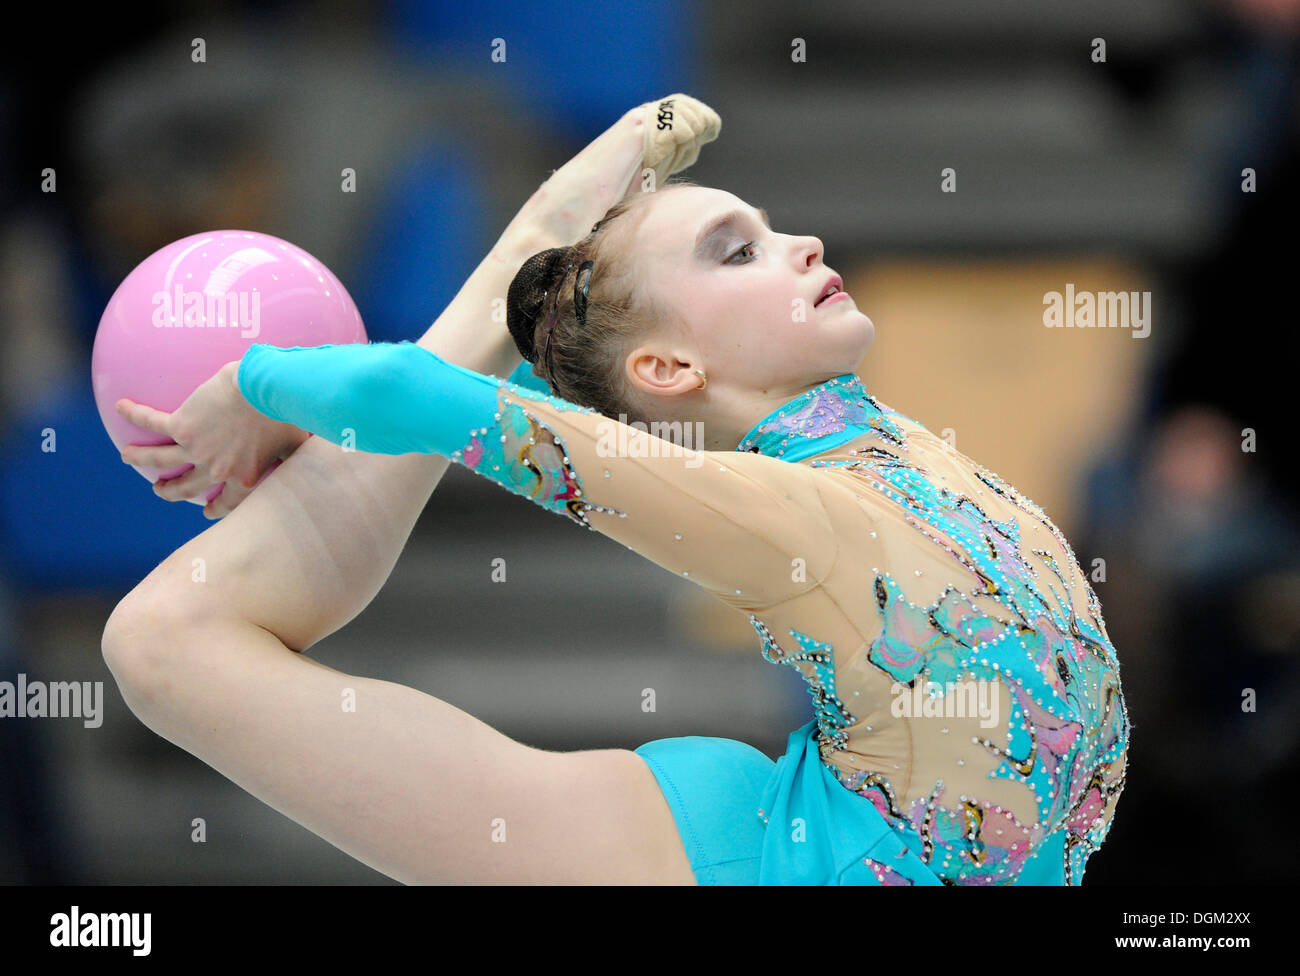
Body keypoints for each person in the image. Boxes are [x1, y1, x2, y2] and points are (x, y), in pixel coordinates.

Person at [104, 95, 1129, 885]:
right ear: (668, 372)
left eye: (771, 231)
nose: (802, 244)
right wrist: (252, 381)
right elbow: (410, 394)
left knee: (165, 644)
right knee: (159, 647)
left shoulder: (892, 455)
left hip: (803, 816)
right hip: (735, 865)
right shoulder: (784, 515)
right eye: (740, 252)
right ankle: (523, 250)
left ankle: (532, 255)